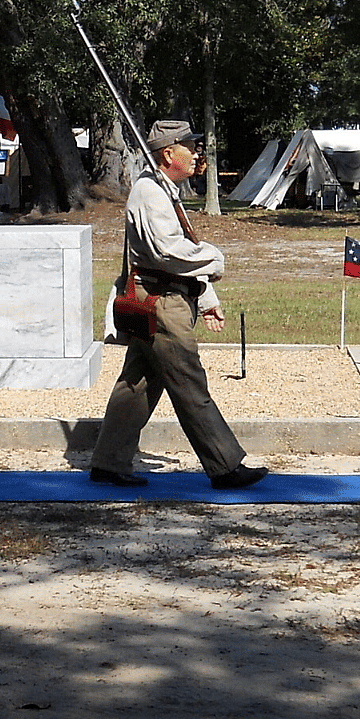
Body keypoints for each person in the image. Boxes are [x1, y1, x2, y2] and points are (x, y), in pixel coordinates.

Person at [90, 120, 266, 490]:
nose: (195, 152)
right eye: (189, 145)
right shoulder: (151, 192)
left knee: (137, 382)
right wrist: (214, 259)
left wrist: (206, 297)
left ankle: (108, 461)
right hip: (160, 302)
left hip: (163, 295)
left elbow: (176, 251)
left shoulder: (163, 190)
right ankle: (224, 466)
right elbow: (167, 251)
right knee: (188, 380)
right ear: (169, 153)